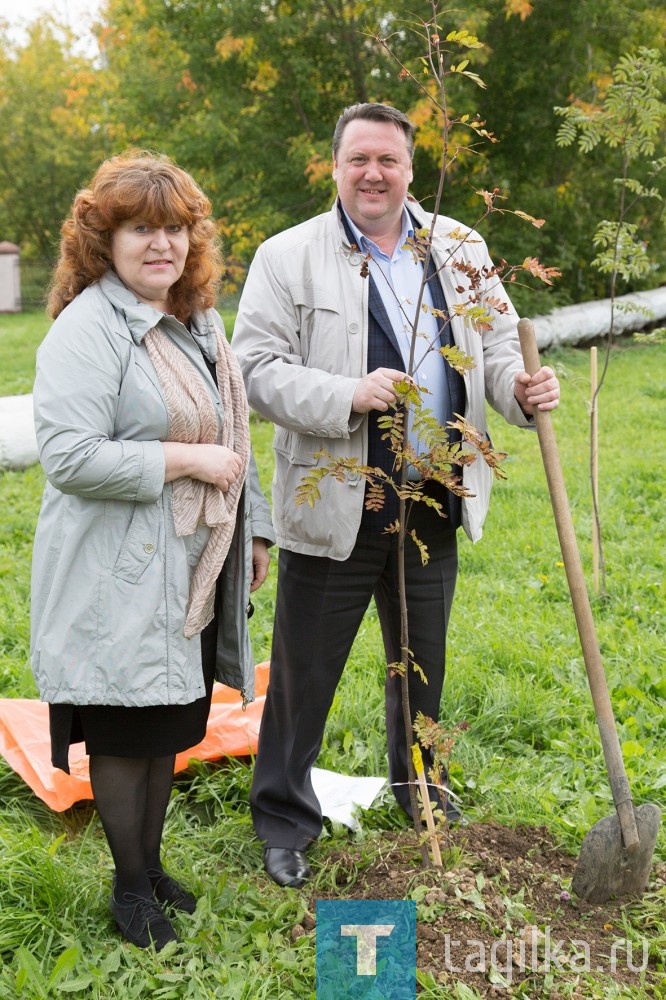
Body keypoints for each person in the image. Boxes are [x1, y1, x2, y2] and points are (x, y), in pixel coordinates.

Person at [232, 102, 560, 889]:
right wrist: (347, 391)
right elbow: (254, 369)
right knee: (305, 672)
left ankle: (423, 793)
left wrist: (523, 389)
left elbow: (496, 350)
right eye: (358, 161)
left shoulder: (459, 245)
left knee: (422, 668)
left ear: (410, 169)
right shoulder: (288, 257)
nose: (373, 174)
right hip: (339, 497)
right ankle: (284, 818)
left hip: (434, 496)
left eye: (388, 160)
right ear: (335, 166)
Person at [31, 151, 274, 948]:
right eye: (141, 228)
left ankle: (152, 862)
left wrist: (253, 525)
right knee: (124, 735)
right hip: (119, 574)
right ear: (105, 239)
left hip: (190, 567)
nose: (160, 244)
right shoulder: (88, 328)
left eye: (174, 228)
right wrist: (183, 463)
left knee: (169, 727)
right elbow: (68, 454)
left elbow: (229, 430)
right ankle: (130, 889)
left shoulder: (197, 317)